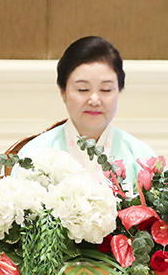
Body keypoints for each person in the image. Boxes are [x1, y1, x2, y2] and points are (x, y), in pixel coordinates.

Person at [15, 36, 157, 190]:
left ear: (118, 90)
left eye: (106, 90)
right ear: (63, 92)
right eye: (83, 89)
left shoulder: (140, 156)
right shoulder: (35, 153)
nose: (94, 100)